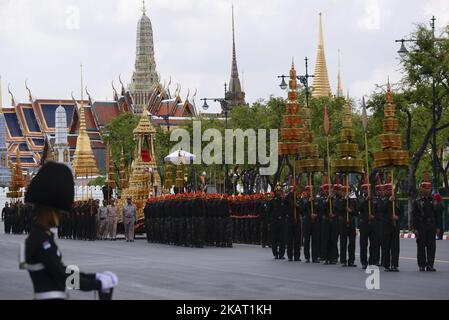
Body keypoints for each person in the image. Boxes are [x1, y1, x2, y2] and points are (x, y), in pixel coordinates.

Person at [21, 162, 118, 300]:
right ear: (49, 211)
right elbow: (61, 274)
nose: (61, 215)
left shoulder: (42, 236)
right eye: (58, 211)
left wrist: (94, 276)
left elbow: (62, 270)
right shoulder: (40, 240)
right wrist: (95, 284)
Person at [412, 174, 442, 272]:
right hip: (421, 225)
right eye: (425, 188)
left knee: (431, 246)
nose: (427, 190)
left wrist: (438, 227)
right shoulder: (417, 201)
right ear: (421, 189)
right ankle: (421, 264)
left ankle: (430, 265)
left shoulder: (434, 200)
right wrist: (415, 228)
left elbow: (439, 213)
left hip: (431, 225)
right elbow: (414, 216)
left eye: (429, 188)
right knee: (421, 245)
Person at [381, 176, 402, 272]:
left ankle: (394, 264)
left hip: (394, 226)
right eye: (387, 190)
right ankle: (386, 265)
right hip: (385, 226)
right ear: (384, 191)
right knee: (386, 246)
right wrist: (389, 201)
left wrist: (397, 217)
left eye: (390, 189)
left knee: (395, 247)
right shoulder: (382, 200)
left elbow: (400, 212)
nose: (389, 191)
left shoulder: (396, 200)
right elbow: (381, 210)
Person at [358, 175, 378, 269]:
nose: (366, 191)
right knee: (363, 244)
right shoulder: (360, 198)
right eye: (365, 189)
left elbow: (378, 210)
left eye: (368, 189)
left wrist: (374, 216)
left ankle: (372, 261)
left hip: (373, 224)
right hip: (364, 223)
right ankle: (364, 262)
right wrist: (366, 200)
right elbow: (358, 209)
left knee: (373, 243)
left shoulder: (374, 199)